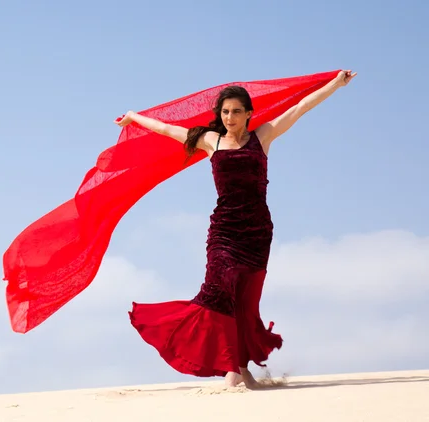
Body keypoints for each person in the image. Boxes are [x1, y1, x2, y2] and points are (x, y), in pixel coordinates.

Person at [115, 69, 357, 389]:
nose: (230, 117)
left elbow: (300, 108)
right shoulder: (209, 141)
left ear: (248, 114)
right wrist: (135, 116)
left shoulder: (263, 136)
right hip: (224, 231)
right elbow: (166, 128)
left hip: (257, 232)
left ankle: (241, 369)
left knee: (245, 303)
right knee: (221, 288)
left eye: (236, 111)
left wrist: (335, 85)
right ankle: (230, 368)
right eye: (225, 112)